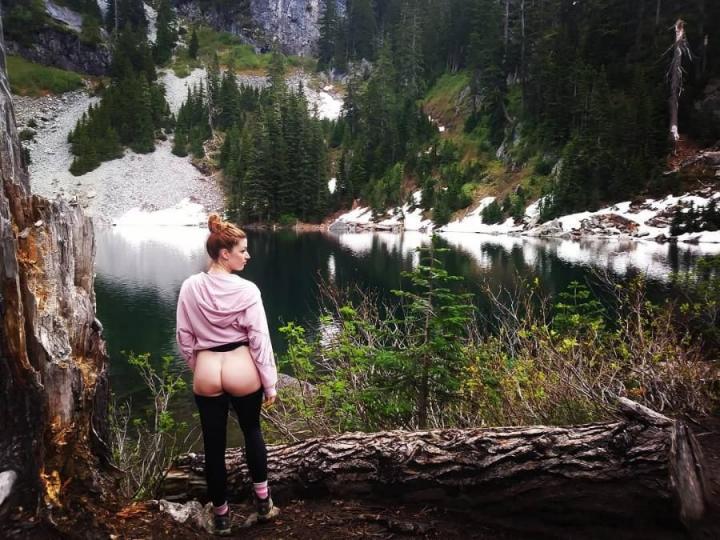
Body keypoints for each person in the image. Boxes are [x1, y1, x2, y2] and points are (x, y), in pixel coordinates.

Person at [176, 213, 280, 536]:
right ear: (225, 254)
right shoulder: (248, 291)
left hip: (207, 369)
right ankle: (263, 503)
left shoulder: (190, 287)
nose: (248, 256)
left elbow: (184, 338)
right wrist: (270, 383)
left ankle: (221, 517)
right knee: (252, 432)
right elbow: (259, 340)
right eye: (243, 250)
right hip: (240, 367)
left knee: (213, 447)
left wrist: (199, 366)